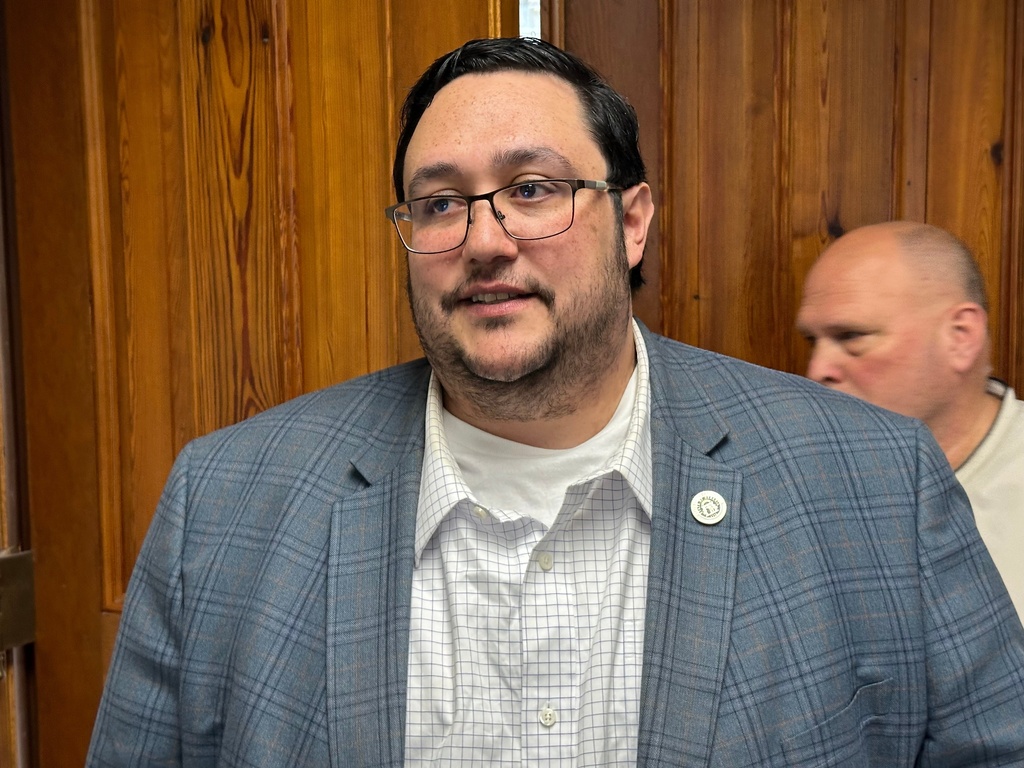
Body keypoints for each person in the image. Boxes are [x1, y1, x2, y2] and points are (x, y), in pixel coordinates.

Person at [88, 38, 1024, 767]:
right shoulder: (224, 506)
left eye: (533, 189)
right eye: (441, 203)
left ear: (631, 221)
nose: (485, 239)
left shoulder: (871, 483)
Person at [797, 220, 1024, 615]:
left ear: (960, 336)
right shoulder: (798, 478)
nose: (817, 369)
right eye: (813, 341)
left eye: (852, 336)